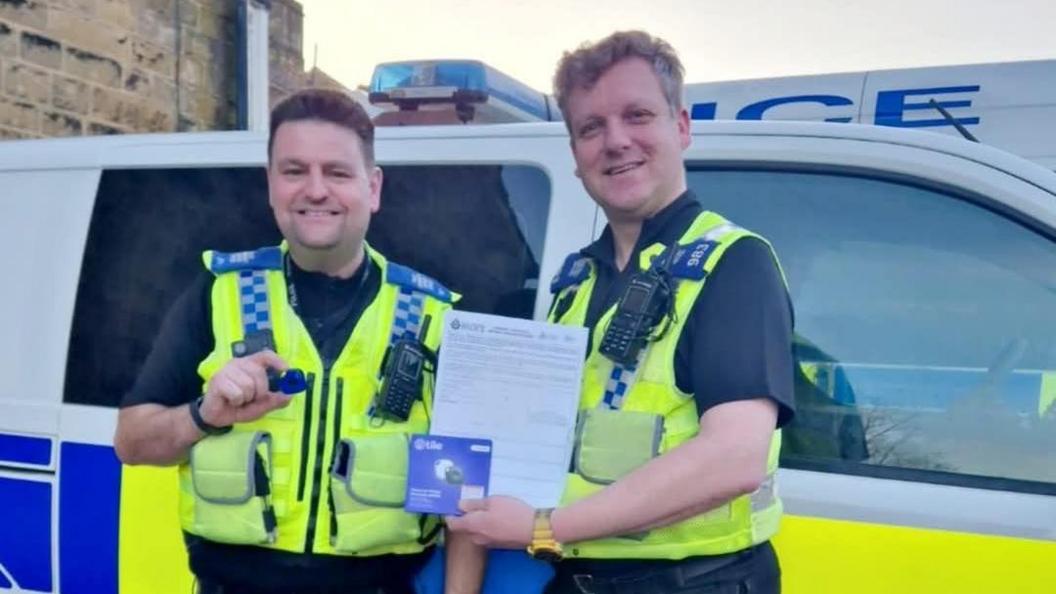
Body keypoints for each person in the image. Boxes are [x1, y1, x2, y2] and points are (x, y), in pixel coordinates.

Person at [446, 31, 795, 594]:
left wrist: (543, 527)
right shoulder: (576, 282)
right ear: (576, 156)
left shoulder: (734, 264)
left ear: (680, 127)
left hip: (696, 583)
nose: (615, 141)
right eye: (591, 128)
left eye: (637, 115)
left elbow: (733, 459)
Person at [114, 88, 456, 594]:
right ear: (271, 184)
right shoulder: (218, 293)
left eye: (337, 172)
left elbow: (464, 493)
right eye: (295, 171)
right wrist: (203, 414)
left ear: (373, 187)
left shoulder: (435, 316)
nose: (315, 190)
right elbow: (132, 442)